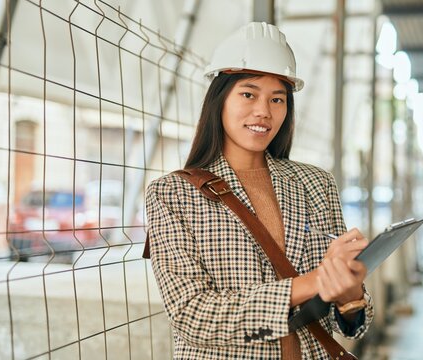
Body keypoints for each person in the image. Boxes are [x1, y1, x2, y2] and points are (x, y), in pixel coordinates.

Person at [145, 22, 374, 359]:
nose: (263, 111)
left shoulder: (317, 184)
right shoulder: (172, 194)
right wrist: (312, 283)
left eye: (277, 99)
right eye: (248, 94)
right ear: (219, 99)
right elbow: (192, 314)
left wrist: (350, 295)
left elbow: (348, 324)